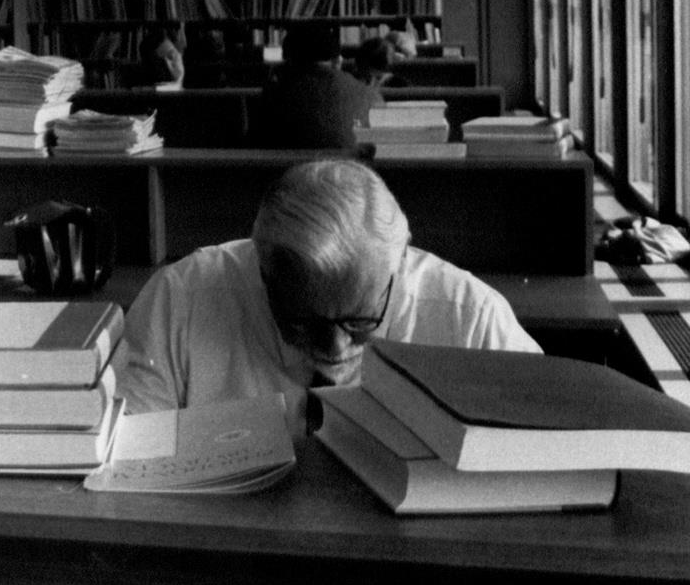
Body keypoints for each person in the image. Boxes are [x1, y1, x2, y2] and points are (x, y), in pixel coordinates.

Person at [119, 159, 540, 434]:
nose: (335, 348)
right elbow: (123, 452)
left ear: (398, 267)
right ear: (262, 272)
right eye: (303, 322)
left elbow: (543, 452)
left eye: (359, 321)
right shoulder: (182, 299)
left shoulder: (472, 317)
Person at [252, 25, 380, 148]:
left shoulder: (275, 94)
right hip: (352, 162)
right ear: (337, 60)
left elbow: (257, 140)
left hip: (285, 163)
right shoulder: (368, 94)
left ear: (288, 60)